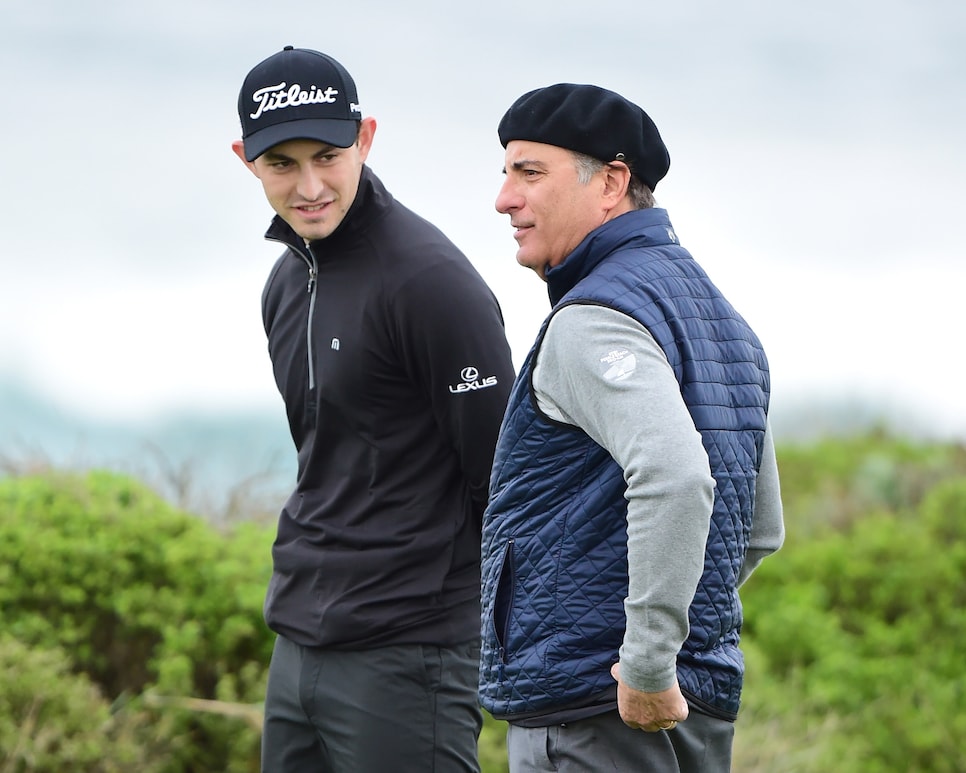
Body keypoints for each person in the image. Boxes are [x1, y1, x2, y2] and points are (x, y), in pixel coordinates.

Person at [478, 83, 784, 772]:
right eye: (505, 173)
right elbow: (760, 529)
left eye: (528, 173)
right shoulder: (728, 324)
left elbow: (677, 478)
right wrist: (676, 637)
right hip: (692, 709)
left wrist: (646, 660)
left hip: (596, 710)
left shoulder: (592, 318)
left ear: (612, 182)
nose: (504, 198)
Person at [231, 46, 515, 773]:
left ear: (367, 138)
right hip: (299, 639)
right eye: (282, 164)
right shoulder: (285, 283)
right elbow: (327, 456)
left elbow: (505, 479)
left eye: (328, 155)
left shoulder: (430, 282)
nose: (310, 185)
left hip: (409, 651)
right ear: (245, 159)